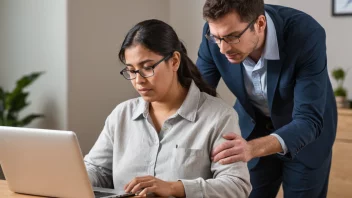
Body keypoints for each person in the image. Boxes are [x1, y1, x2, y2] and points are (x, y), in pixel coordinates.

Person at [84, 19, 251, 197]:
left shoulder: (218, 117)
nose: (138, 80)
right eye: (131, 71)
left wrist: (174, 187)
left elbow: (236, 186)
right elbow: (97, 170)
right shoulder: (121, 115)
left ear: (174, 61)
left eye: (147, 68)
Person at [196, 0, 337, 197]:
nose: (223, 49)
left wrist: (251, 149)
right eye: (217, 38)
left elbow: (308, 120)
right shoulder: (217, 33)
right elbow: (198, 97)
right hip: (253, 129)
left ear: (260, 24)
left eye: (232, 37)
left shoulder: (306, 33)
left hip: (305, 136)